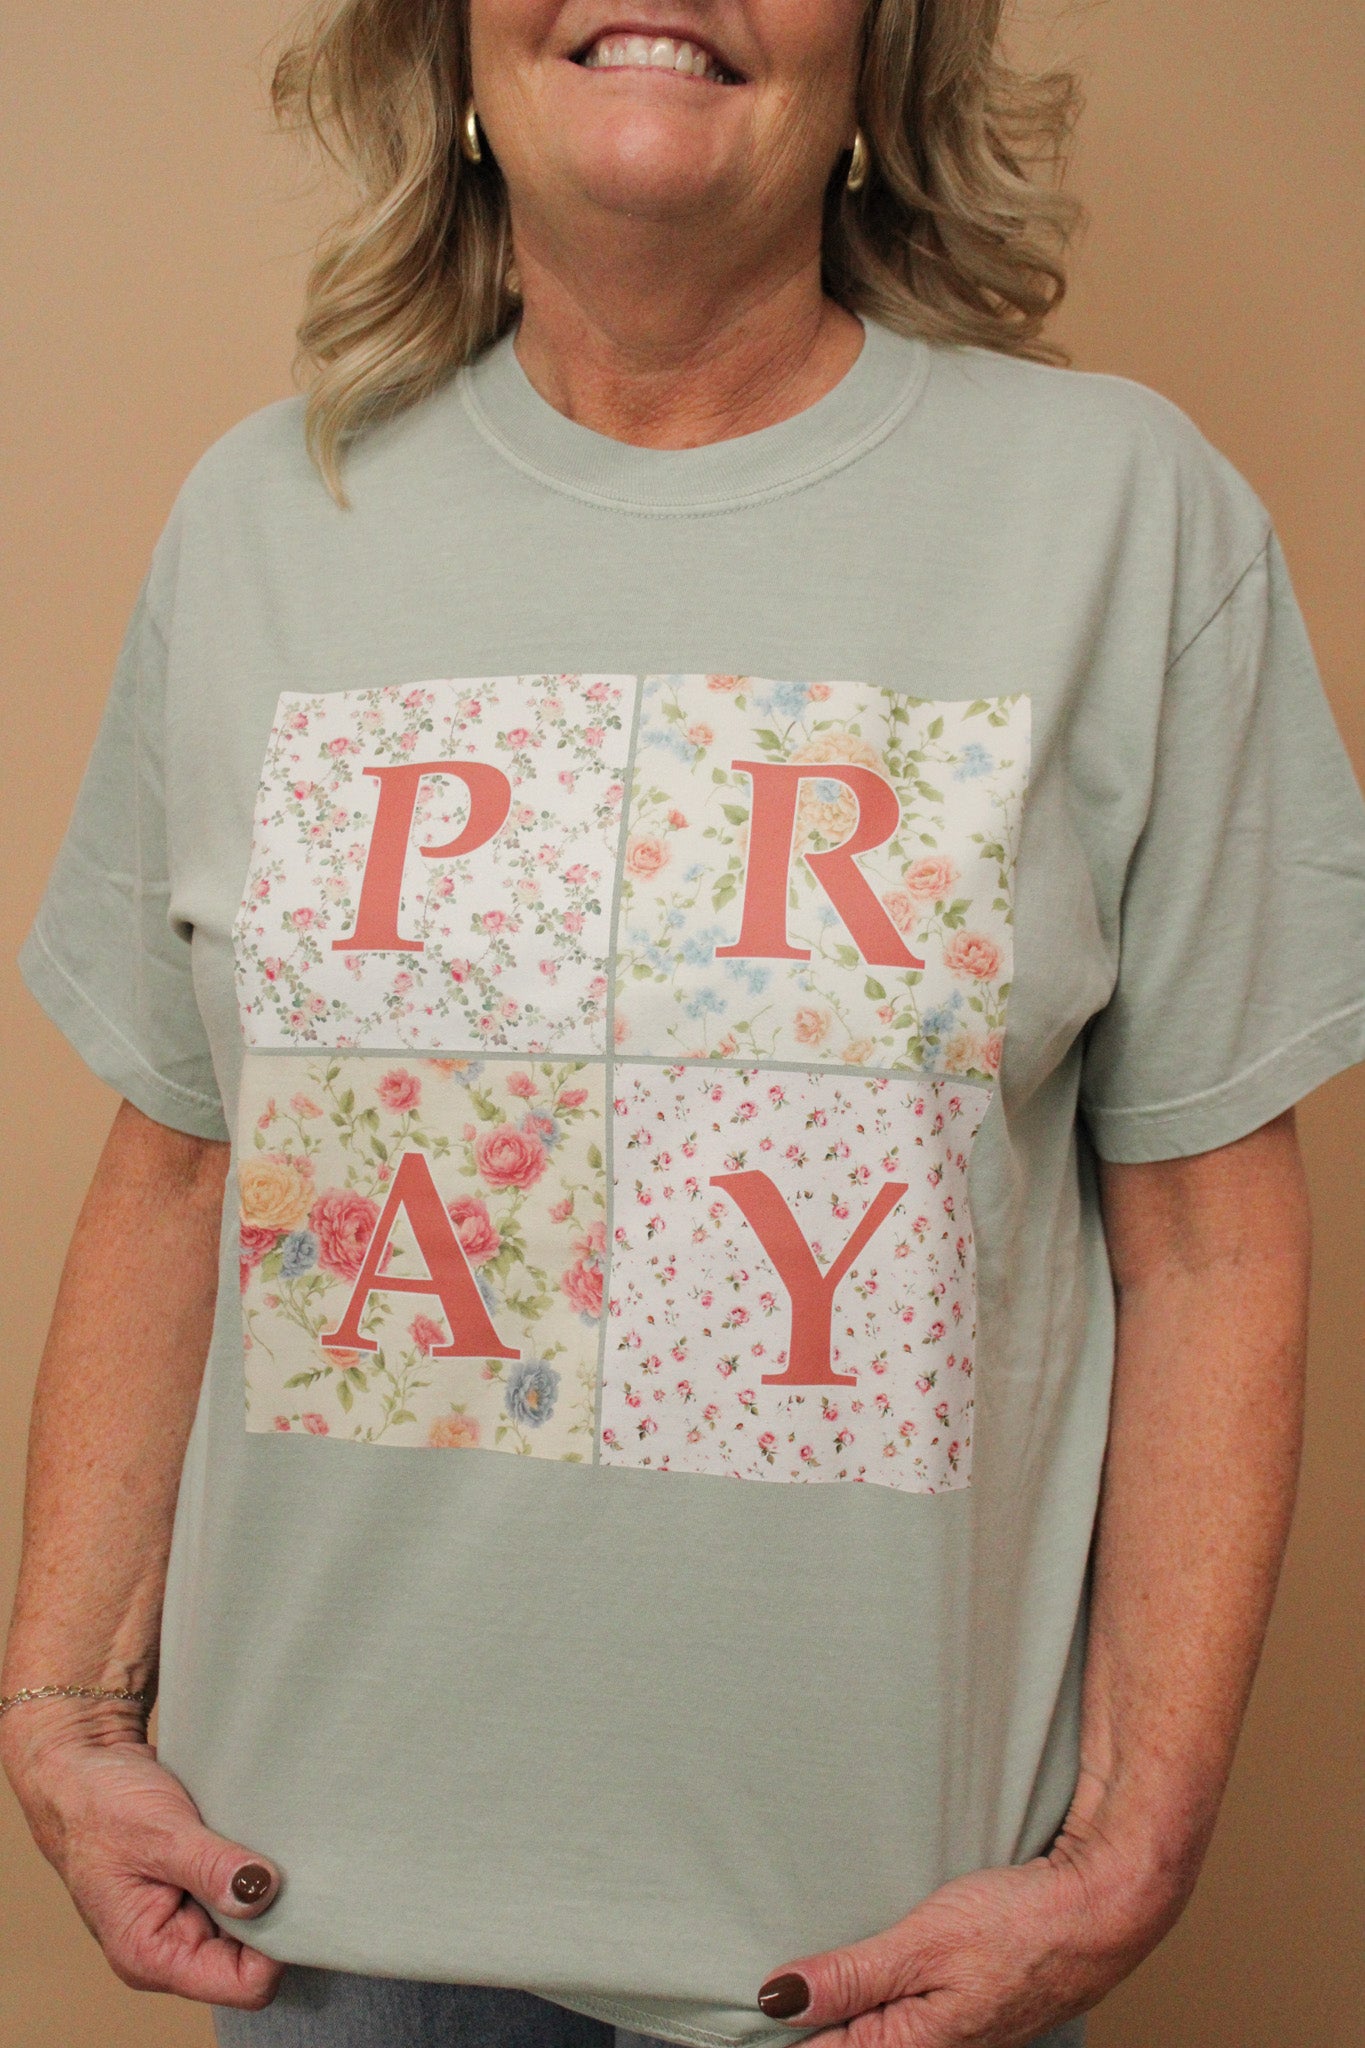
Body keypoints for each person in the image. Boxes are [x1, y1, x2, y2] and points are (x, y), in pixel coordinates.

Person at [3, 2, 1363, 2046]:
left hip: (877, 1960)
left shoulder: (1116, 513)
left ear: (877, 58)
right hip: (314, 1932)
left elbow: (1207, 1238)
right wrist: (62, 1707)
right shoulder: (265, 518)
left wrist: (1127, 1848)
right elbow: (182, 1161)